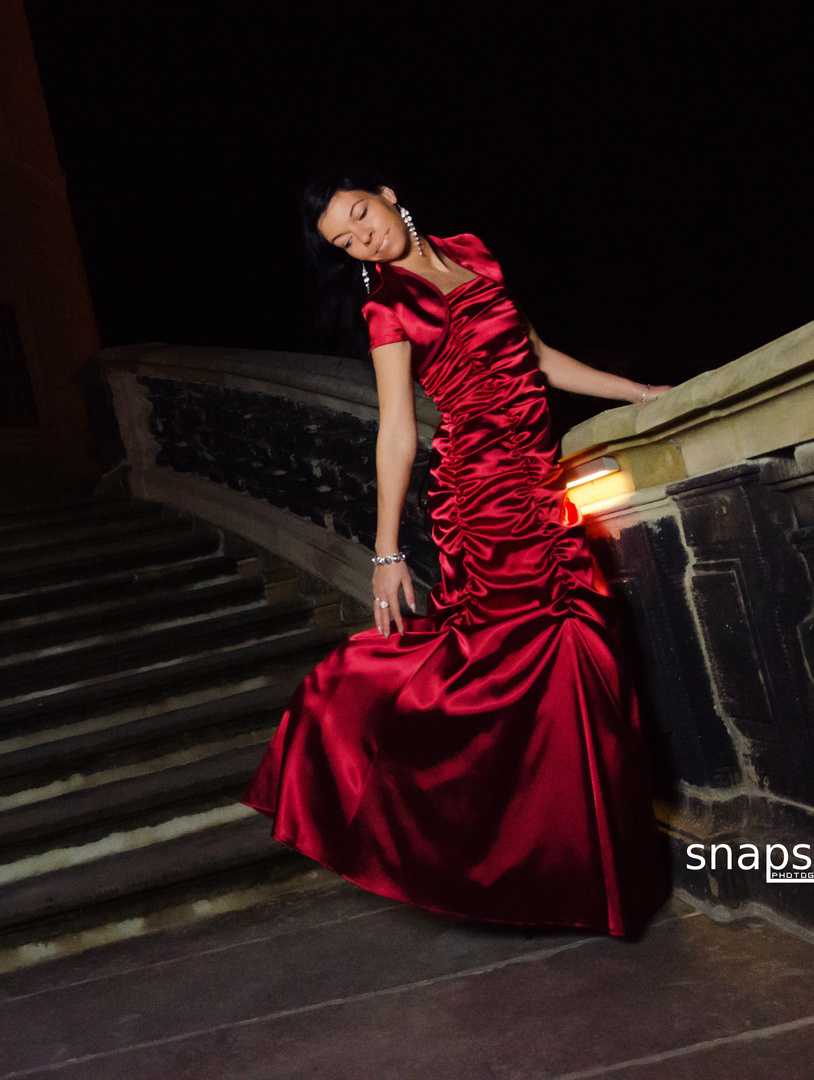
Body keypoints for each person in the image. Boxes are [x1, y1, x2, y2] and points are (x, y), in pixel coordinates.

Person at [242, 173, 672, 935]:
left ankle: (582, 866)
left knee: (583, 651)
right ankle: (474, 838)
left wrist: (635, 393)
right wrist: (384, 553)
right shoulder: (386, 309)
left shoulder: (474, 253)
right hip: (485, 499)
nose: (362, 239)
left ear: (384, 193)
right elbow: (398, 430)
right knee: (529, 657)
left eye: (361, 218)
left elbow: (538, 358)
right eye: (344, 242)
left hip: (537, 484)